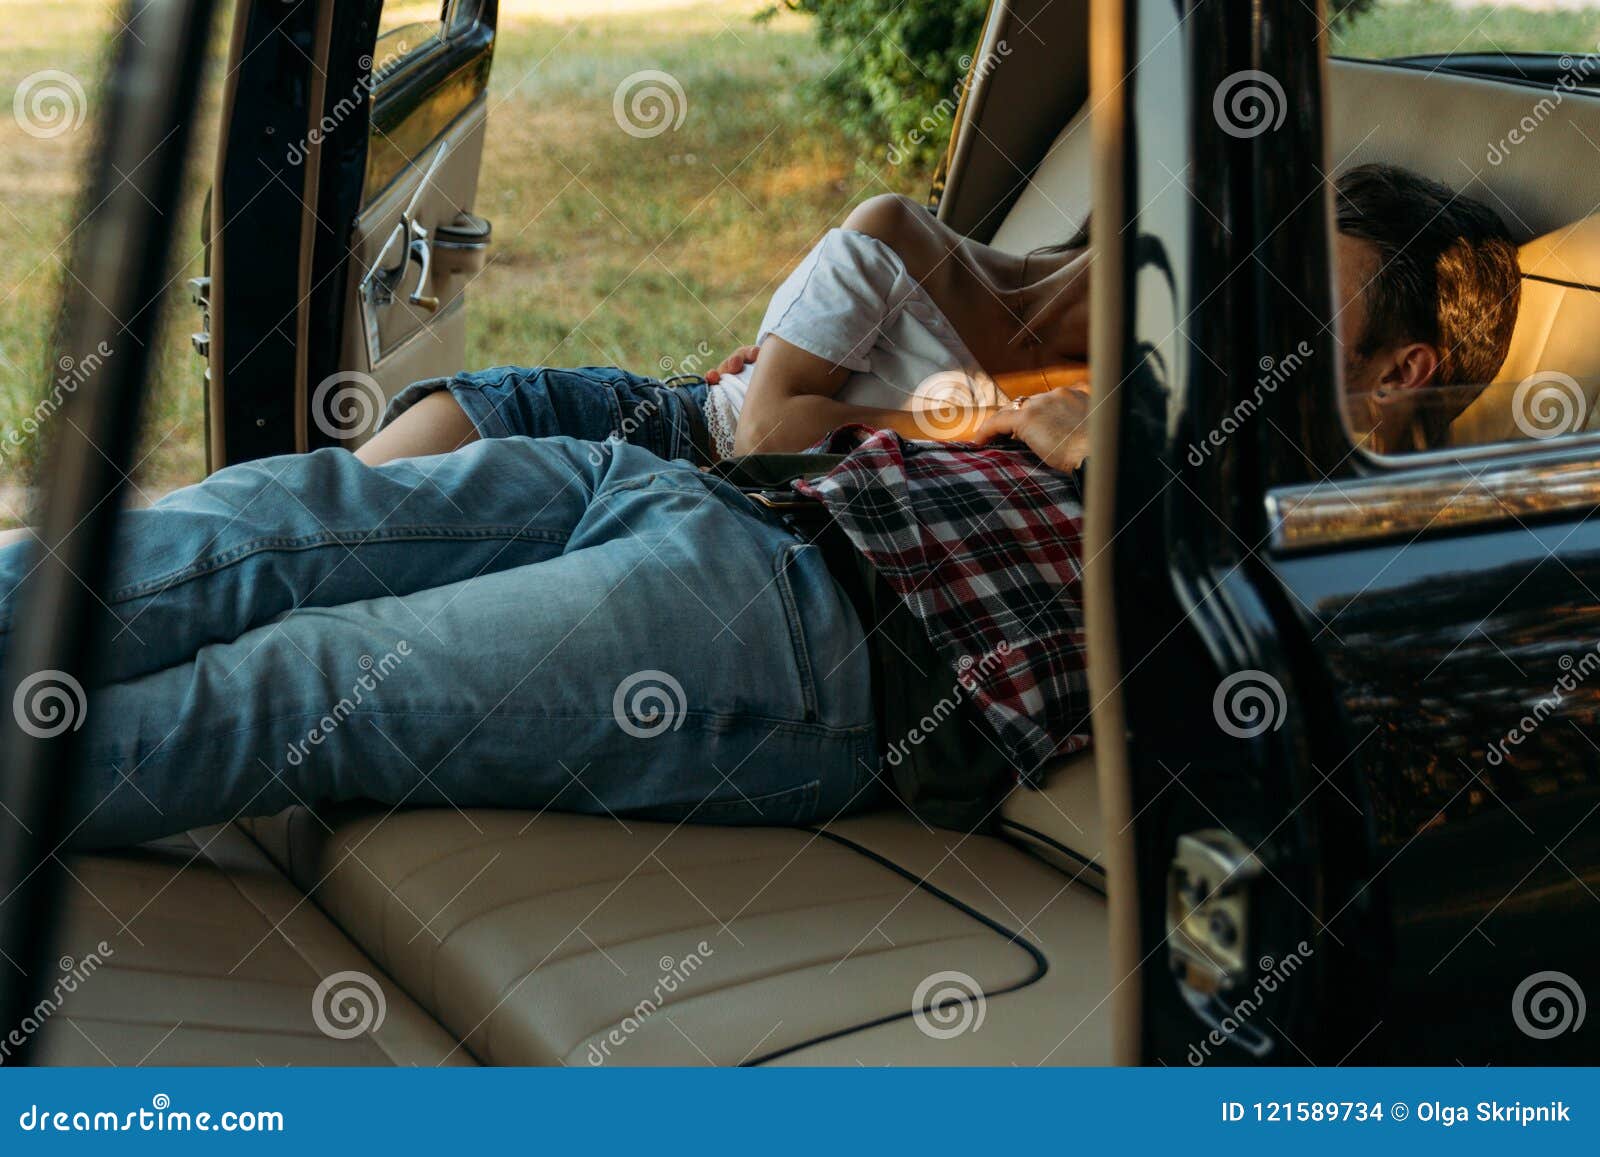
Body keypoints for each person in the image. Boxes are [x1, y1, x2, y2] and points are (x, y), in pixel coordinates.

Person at [0, 164, 1517, 849]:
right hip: (705, 495)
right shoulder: (1158, 387)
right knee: (262, 526)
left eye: (1290, 299)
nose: (1234, 311)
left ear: (1407, 367)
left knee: (308, 684)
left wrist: (1121, 463)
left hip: (808, 648)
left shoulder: (1345, 542)